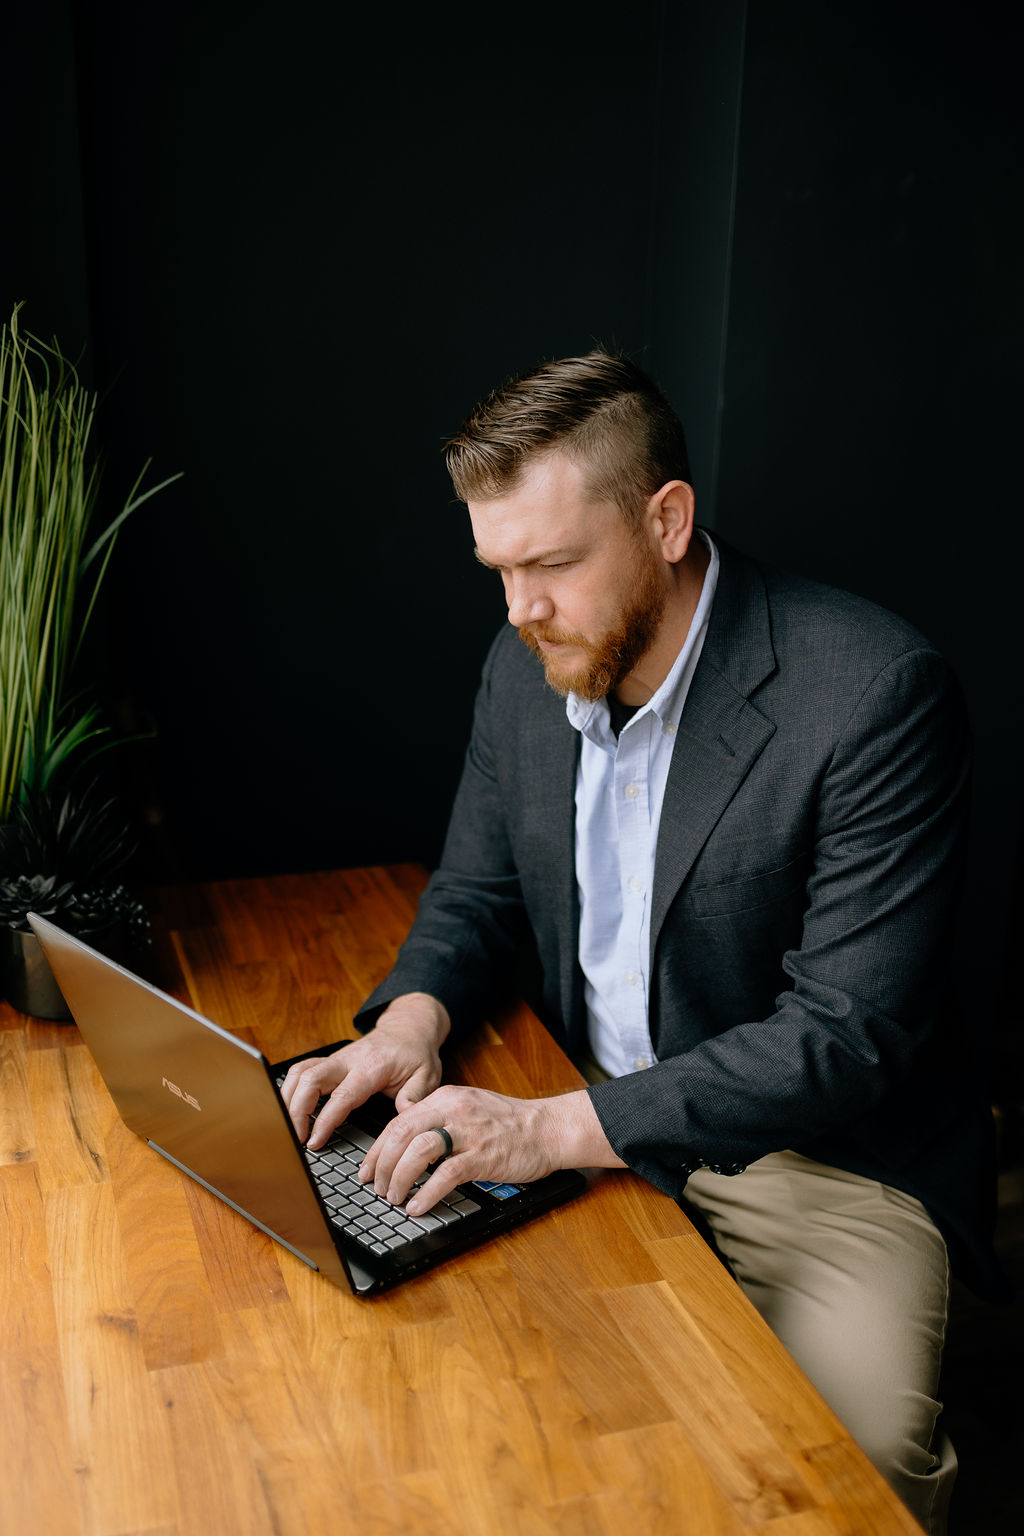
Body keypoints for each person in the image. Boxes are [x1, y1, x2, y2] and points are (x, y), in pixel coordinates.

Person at [282, 351, 1001, 1535]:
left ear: (666, 520)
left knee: (854, 1468)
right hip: (572, 1101)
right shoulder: (525, 665)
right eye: (498, 570)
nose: (519, 610)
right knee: (499, 1424)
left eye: (553, 564)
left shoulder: (873, 692)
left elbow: (846, 1037)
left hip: (814, 1160)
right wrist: (411, 1019)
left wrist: (549, 1128)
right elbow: (473, 892)